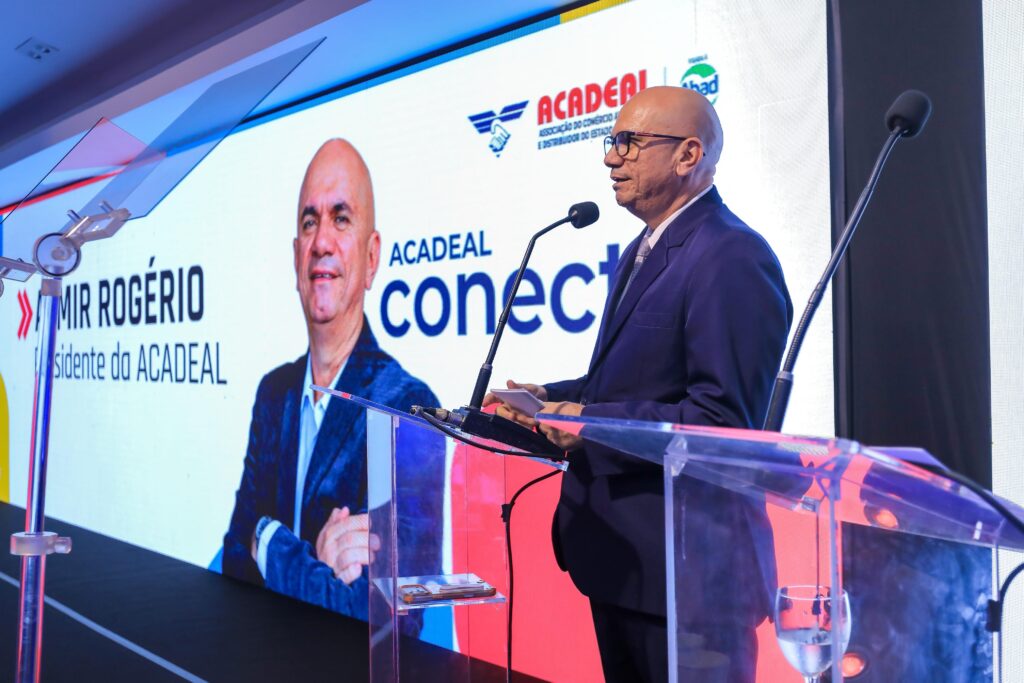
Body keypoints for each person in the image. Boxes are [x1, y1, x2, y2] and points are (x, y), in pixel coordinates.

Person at [486, 87, 792, 682]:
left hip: (690, 579)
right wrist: (547, 399)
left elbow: (723, 423)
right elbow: (628, 382)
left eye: (628, 142)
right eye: (612, 141)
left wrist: (589, 426)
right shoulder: (642, 250)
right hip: (627, 566)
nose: (610, 158)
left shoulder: (730, 256)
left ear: (688, 155)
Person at [222, 139, 443, 627]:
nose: (321, 241)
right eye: (309, 222)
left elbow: (391, 617)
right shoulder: (273, 394)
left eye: (341, 219)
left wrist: (269, 542)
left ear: (371, 256)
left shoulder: (409, 408)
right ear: (295, 256)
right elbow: (234, 555)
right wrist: (311, 559)